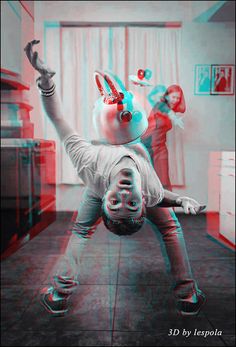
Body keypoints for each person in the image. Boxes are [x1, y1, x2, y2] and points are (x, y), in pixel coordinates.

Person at [24, 40, 206, 317]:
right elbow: (163, 197)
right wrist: (181, 199)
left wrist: (46, 81)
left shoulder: (88, 163)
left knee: (81, 230)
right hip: (133, 166)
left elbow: (57, 119)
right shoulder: (152, 190)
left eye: (115, 203)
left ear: (104, 198)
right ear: (144, 200)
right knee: (172, 228)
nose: (123, 195)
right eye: (130, 204)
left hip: (99, 175)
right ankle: (189, 294)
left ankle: (59, 293)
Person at [142, 85, 186, 191]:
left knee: (163, 179)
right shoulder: (160, 105)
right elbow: (168, 111)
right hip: (149, 145)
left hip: (160, 145)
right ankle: (157, 205)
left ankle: (167, 205)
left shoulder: (167, 108)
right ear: (166, 96)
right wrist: (175, 118)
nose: (175, 100)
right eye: (173, 97)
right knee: (152, 178)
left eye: (178, 98)